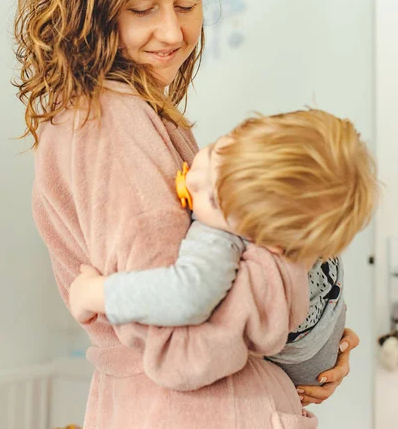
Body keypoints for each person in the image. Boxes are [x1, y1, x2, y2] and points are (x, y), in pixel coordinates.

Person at [13, 0, 359, 428]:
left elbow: (217, 276)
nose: (172, 31)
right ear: (93, 10)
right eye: (143, 7)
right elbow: (179, 336)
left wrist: (303, 342)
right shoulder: (110, 121)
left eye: (187, 3)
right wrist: (289, 329)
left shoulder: (136, 113)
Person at [69, 109, 377, 387]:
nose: (193, 179)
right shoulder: (289, 213)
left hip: (308, 363)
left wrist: (95, 293)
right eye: (216, 152)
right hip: (330, 319)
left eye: (214, 200)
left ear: (270, 242)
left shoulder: (223, 235)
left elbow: (187, 294)